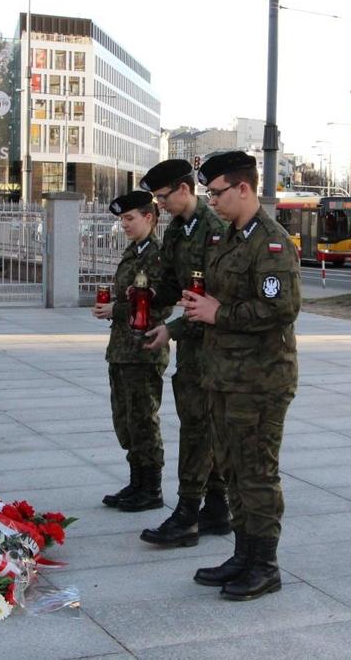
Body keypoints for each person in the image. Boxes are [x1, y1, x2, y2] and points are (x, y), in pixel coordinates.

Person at [180, 151, 301, 601]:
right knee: (231, 468)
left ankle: (265, 565)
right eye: (209, 194)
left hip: (260, 379)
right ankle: (243, 554)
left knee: (256, 472)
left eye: (217, 193)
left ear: (243, 188)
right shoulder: (228, 238)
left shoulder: (270, 242)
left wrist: (219, 312)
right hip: (224, 375)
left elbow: (281, 308)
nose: (212, 201)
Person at [137, 159, 230, 548]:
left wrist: (170, 329)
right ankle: (217, 509)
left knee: (198, 430)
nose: (159, 206)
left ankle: (188, 513)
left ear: (183, 189)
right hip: (194, 347)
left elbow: (215, 300)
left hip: (217, 347)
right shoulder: (178, 231)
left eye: (162, 197)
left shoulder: (218, 230)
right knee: (202, 427)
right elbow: (173, 286)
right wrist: (143, 300)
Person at [93, 191, 171, 512]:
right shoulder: (134, 251)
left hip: (143, 350)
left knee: (143, 419)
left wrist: (116, 309)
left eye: (129, 218)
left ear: (149, 218)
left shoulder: (155, 256)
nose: (124, 224)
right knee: (125, 419)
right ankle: (136, 481)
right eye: (122, 219)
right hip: (122, 349)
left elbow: (157, 307)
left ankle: (151, 488)